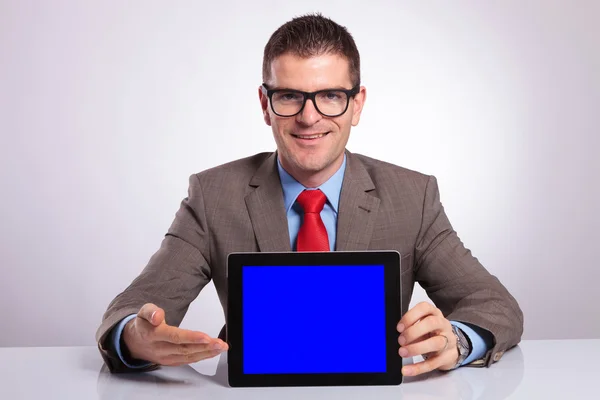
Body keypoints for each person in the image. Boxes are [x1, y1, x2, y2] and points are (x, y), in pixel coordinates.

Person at [96, 13, 523, 377]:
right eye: (289, 96)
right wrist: (134, 335)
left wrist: (458, 342)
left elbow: (495, 305)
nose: (309, 117)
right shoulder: (213, 196)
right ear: (265, 104)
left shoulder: (413, 197)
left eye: (331, 96)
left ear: (357, 105)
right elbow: (131, 309)